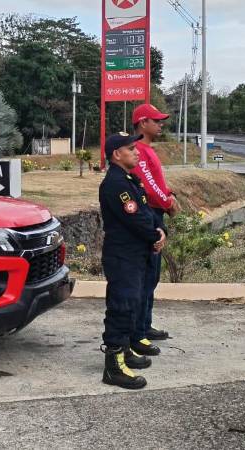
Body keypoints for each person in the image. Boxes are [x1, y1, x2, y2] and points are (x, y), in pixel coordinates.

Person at [99, 132, 166, 389]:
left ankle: (125, 349)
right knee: (122, 306)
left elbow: (147, 211)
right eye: (131, 149)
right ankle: (113, 367)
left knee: (133, 303)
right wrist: (154, 236)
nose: (137, 153)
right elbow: (134, 218)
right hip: (122, 256)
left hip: (136, 253)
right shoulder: (115, 184)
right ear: (117, 154)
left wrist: (161, 231)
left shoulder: (130, 180)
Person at [129, 103, 178, 358]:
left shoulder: (147, 150)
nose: (161, 125)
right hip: (150, 214)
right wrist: (168, 202)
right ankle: (138, 332)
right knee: (147, 276)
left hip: (156, 213)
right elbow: (149, 186)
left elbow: (158, 182)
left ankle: (145, 325)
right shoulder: (138, 150)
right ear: (143, 123)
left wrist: (169, 194)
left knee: (153, 276)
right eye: (156, 121)